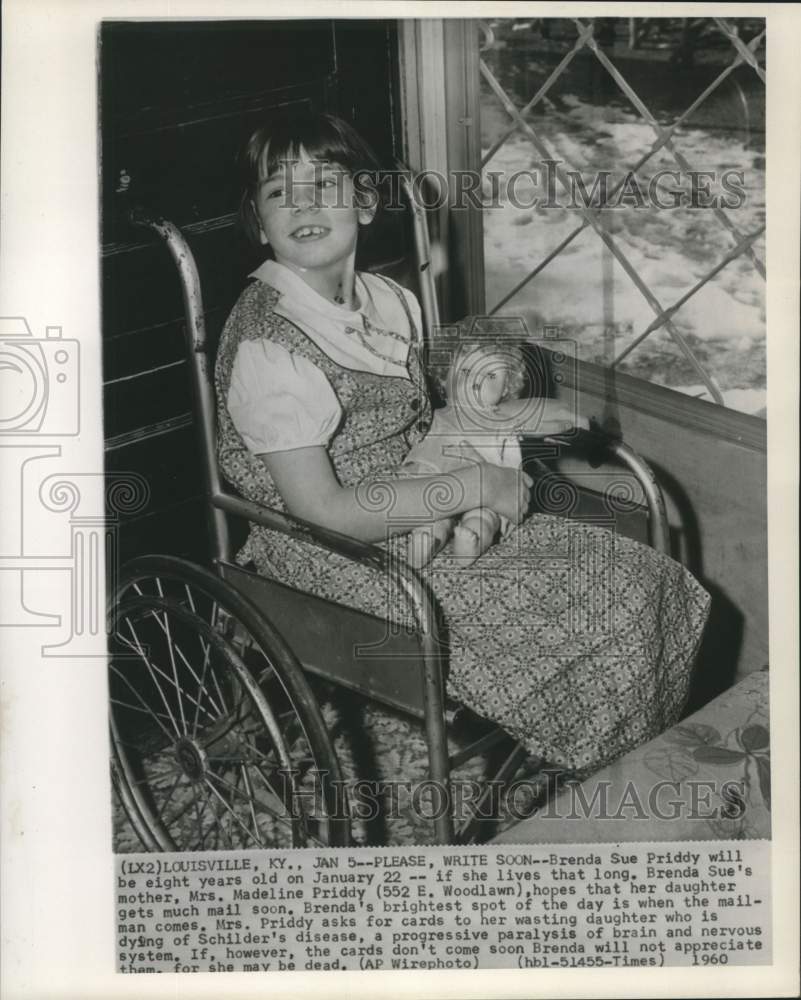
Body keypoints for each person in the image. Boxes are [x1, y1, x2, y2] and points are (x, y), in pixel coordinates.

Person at [215, 112, 711, 808]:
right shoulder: (270, 344)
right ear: (258, 222)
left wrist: (516, 423)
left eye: (323, 183)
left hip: (420, 489)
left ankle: (618, 769)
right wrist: (476, 482)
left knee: (636, 578)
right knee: (583, 613)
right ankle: (600, 777)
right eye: (278, 191)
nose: (302, 204)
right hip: (329, 548)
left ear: (364, 201)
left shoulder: (389, 303)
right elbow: (321, 511)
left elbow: (435, 420)